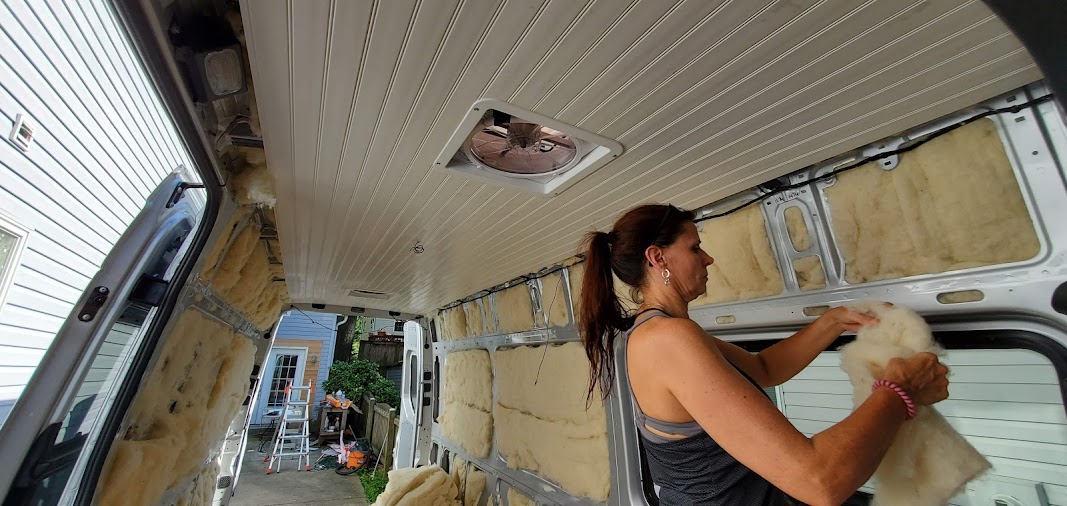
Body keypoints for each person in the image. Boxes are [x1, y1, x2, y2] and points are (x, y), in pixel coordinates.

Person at [579, 204, 950, 506]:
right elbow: (820, 483)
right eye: (694, 248)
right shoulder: (667, 339)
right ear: (657, 257)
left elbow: (764, 368)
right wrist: (901, 390)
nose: (708, 259)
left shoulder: (654, 332)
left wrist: (833, 321)